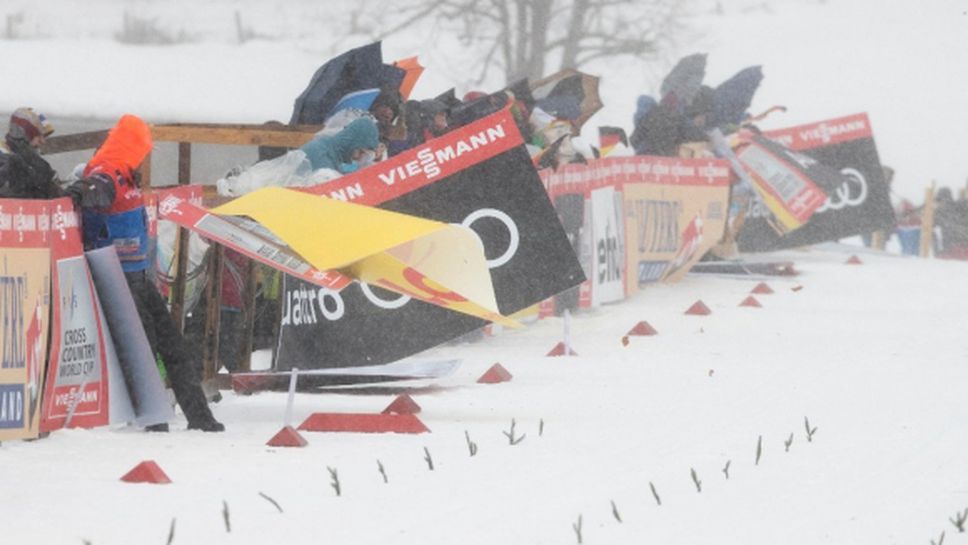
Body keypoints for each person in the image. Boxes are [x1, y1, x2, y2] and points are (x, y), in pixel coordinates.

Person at [66, 114, 224, 432]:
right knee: (147, 347)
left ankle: (199, 417)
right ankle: (154, 419)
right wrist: (78, 194)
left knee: (171, 345)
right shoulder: (107, 174)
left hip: (137, 275)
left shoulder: (123, 173)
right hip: (118, 279)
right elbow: (86, 193)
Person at [0, 107, 62, 199]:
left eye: (44, 137)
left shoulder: (33, 162)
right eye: (38, 135)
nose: (42, 141)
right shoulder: (6, 157)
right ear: (25, 133)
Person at [300, 116, 381, 173]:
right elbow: (327, 187)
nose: (358, 158)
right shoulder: (322, 153)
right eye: (361, 152)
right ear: (352, 142)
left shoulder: (331, 151)